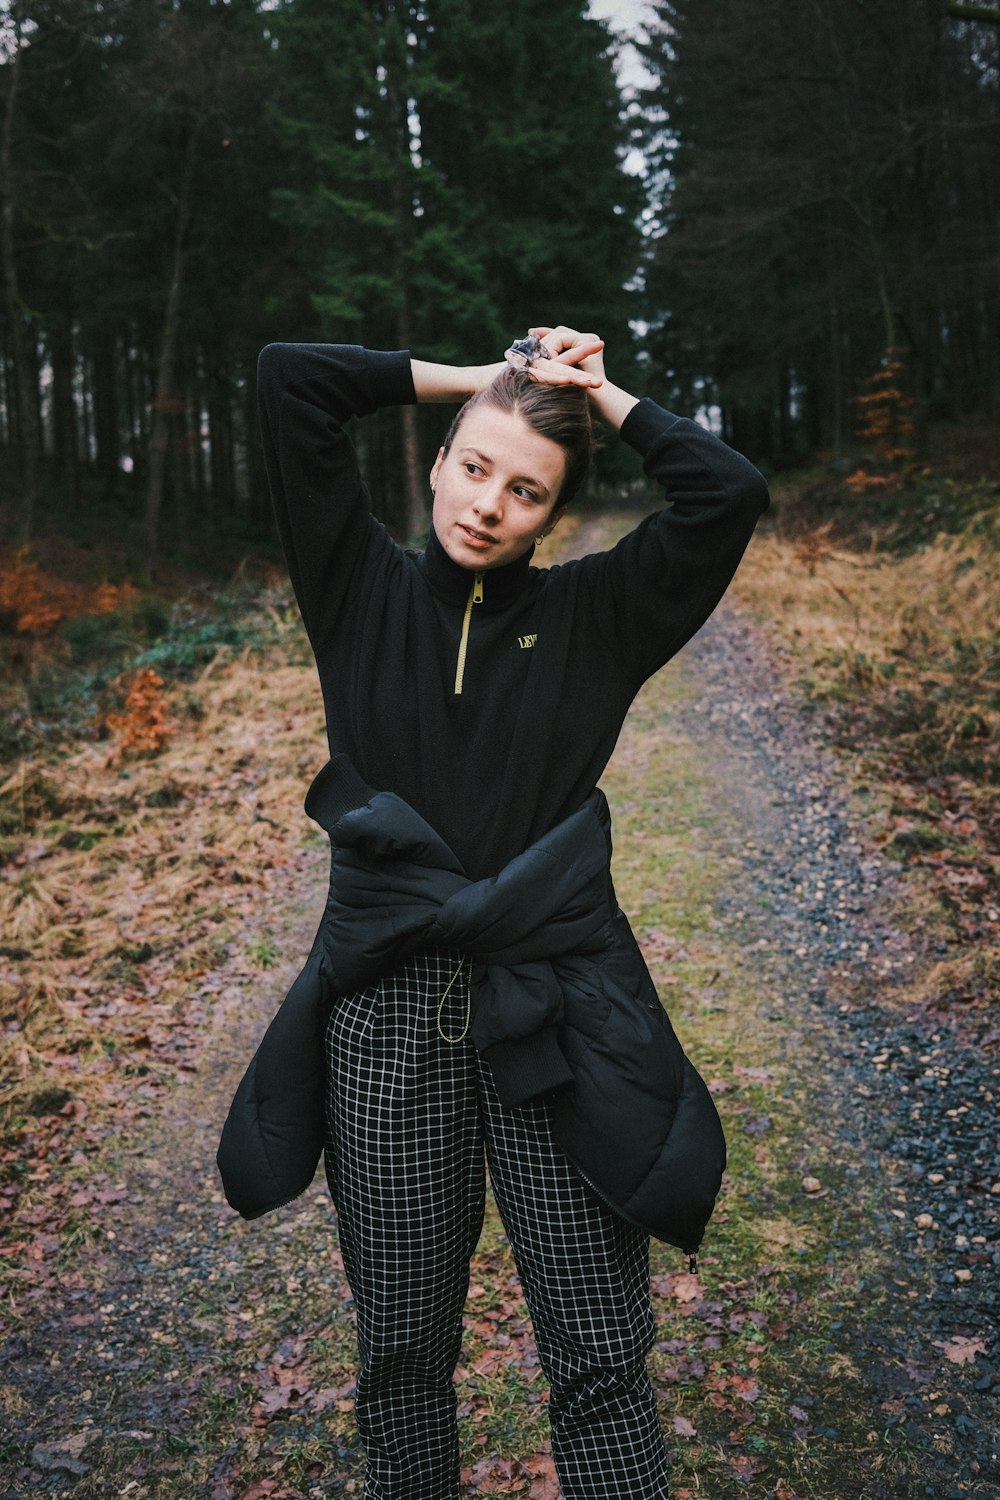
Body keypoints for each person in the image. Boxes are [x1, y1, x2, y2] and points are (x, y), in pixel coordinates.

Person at [218, 325, 770, 1499]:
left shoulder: (596, 619)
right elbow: (289, 380)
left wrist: (595, 392)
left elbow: (725, 492)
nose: (487, 506)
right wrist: (490, 380)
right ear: (435, 461)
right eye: (474, 467)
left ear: (555, 514)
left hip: (554, 1010)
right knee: (404, 1354)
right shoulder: (355, 586)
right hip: (387, 1019)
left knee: (601, 1357)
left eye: (526, 491)